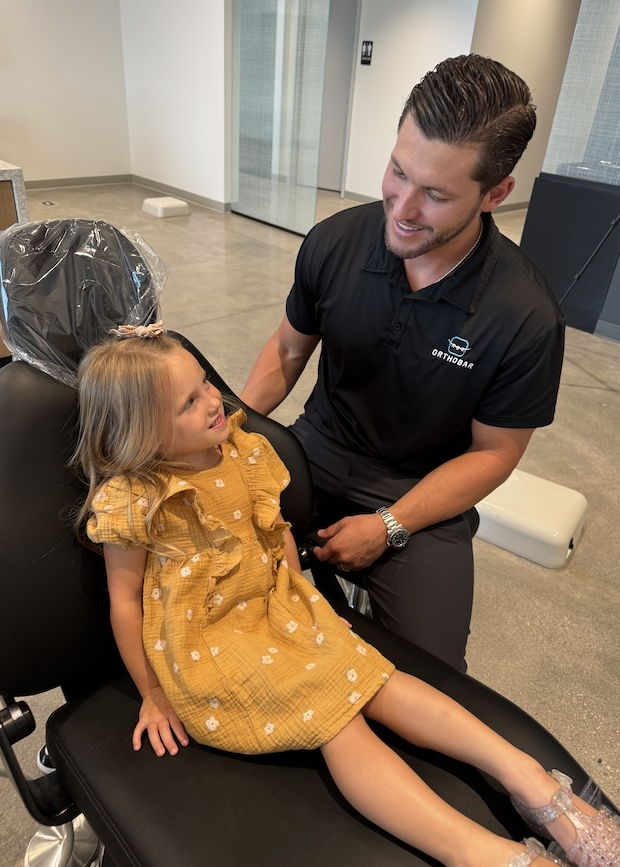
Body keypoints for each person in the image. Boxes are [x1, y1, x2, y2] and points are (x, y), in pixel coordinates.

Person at [72, 328, 620, 867]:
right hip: (212, 645)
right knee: (339, 718)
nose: (214, 399)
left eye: (204, 382)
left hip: (275, 607)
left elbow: (275, 532)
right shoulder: (136, 499)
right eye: (188, 403)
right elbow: (127, 602)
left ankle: (531, 782)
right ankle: (476, 852)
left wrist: (303, 600)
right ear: (143, 434)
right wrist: (152, 691)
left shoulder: (241, 449)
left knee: (382, 678)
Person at [239, 54, 566, 672]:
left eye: (436, 194)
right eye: (397, 170)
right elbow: (286, 351)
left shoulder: (524, 316)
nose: (402, 207)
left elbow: (495, 453)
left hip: (421, 487)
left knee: (431, 674)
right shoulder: (334, 242)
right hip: (315, 447)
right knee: (199, 569)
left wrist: (387, 525)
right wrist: (230, 432)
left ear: (495, 193)